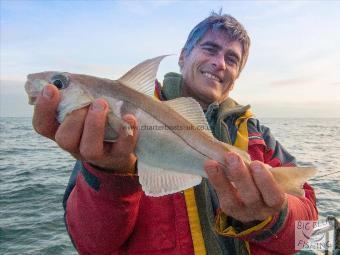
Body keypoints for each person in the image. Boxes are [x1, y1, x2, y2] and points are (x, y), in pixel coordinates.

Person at [33, 12, 318, 255]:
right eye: (210, 49)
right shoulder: (99, 133)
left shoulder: (257, 135)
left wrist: (274, 216)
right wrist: (109, 174)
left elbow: (306, 235)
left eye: (231, 58)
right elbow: (92, 246)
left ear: (236, 76)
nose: (220, 62)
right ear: (183, 57)